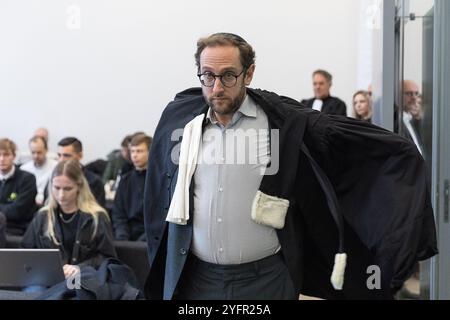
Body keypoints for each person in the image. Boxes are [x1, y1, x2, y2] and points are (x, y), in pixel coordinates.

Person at [143, 33, 437, 300]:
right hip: (196, 279)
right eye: (208, 76)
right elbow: (158, 190)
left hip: (267, 280)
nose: (217, 87)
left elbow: (349, 143)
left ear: (249, 73)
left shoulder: (283, 122)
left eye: (228, 75)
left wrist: (404, 154)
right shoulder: (181, 123)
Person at [21, 160, 117, 279]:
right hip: (48, 278)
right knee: (34, 292)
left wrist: (79, 268)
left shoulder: (97, 217)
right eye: (56, 188)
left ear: (79, 187)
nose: (61, 195)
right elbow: (26, 252)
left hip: (84, 279)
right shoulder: (43, 216)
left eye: (67, 189)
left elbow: (107, 257)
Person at [111, 133, 152, 241]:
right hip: (126, 235)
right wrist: (122, 237)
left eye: (139, 151)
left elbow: (159, 219)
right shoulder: (125, 180)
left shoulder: (159, 181)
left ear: (150, 152)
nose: (134, 155)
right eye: (132, 151)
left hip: (149, 238)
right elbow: (118, 214)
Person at [0, 138, 37, 235]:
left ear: (14, 156)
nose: (2, 159)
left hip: (17, 229)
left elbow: (17, 212)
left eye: (6, 154)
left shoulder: (28, 179)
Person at [57, 137, 106, 207]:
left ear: (80, 156)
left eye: (66, 155)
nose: (61, 160)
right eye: (59, 155)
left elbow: (98, 213)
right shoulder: (54, 180)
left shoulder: (94, 182)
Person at [21, 136, 58, 207]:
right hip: (28, 205)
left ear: (46, 150)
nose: (36, 156)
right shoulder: (24, 169)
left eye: (39, 152)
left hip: (49, 204)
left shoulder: (56, 166)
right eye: (33, 152)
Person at [401, 80, 424, 156]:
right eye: (409, 93)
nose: (414, 97)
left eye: (416, 93)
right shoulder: (395, 121)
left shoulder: (412, 120)